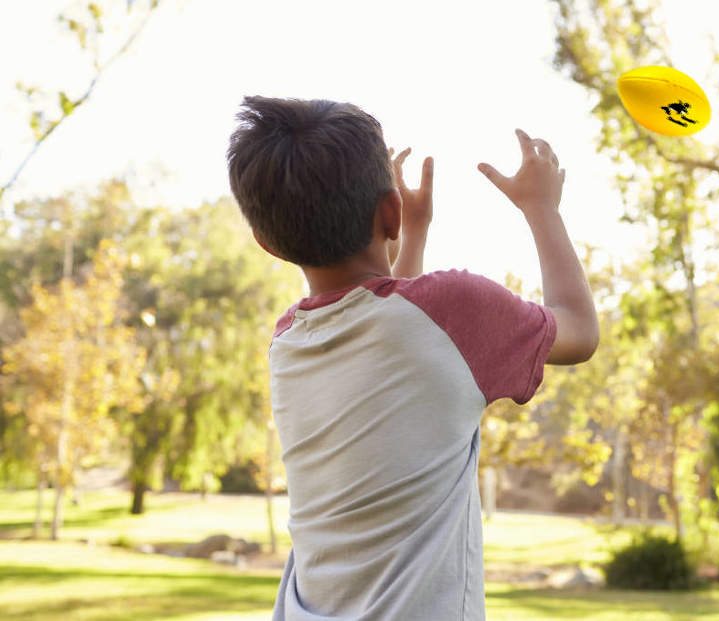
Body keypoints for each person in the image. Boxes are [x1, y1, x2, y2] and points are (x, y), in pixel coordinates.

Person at [226, 96, 599, 621]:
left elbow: (395, 324)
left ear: (267, 244)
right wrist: (541, 207)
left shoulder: (288, 341)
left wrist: (412, 232)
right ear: (389, 211)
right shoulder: (454, 308)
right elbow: (579, 332)